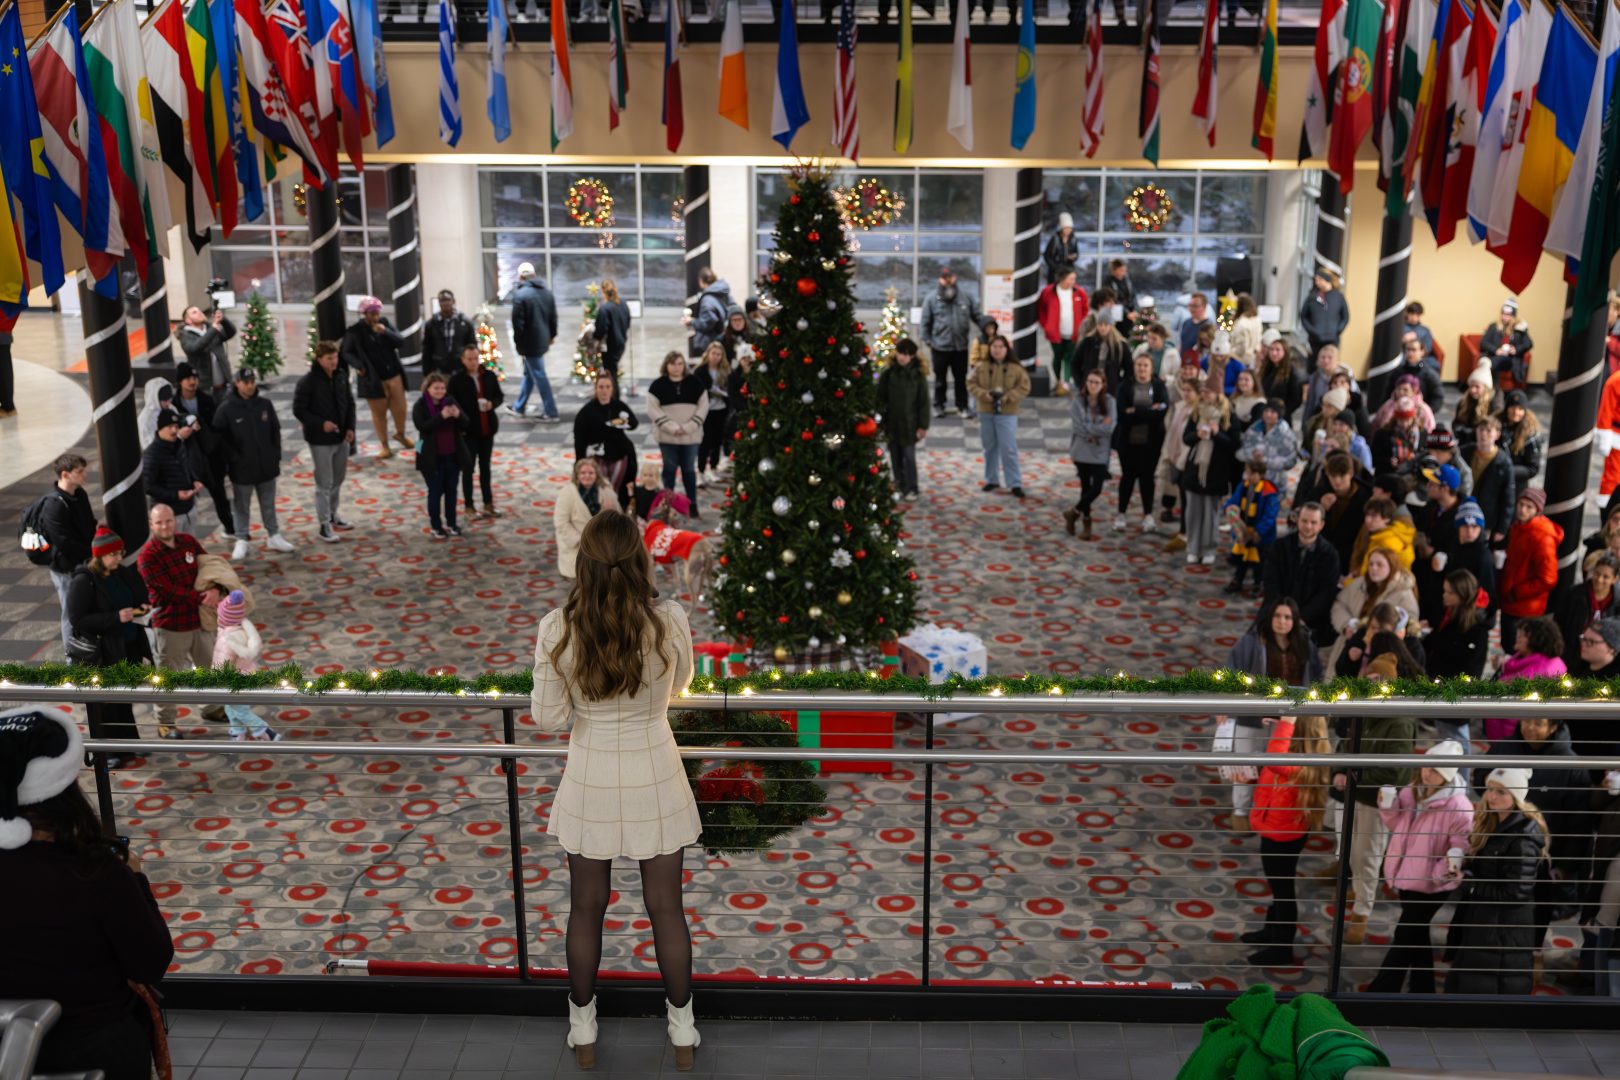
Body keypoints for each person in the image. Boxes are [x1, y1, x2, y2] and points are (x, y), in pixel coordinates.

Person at [529, 511, 703, 1071]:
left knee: (585, 909)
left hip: (591, 775)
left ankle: (583, 1030)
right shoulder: (667, 619)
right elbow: (682, 685)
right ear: (640, 560)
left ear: (584, 561)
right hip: (656, 768)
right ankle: (682, 1033)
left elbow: (549, 717)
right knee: (667, 910)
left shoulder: (559, 626)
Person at [0, 711, 174, 1080]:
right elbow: (150, 962)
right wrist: (137, 881)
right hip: (94, 1044)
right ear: (64, 791)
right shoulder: (97, 872)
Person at [1368, 741, 1474, 992]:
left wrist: (1438, 874)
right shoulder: (1412, 790)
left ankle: (1382, 991)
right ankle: (1423, 987)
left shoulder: (1459, 807)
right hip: (1406, 876)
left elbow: (1462, 847)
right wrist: (1388, 806)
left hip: (1433, 884)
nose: (1428, 772)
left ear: (1447, 777)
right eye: (1427, 766)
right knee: (1416, 933)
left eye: (1436, 771)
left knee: (1405, 936)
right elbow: (1397, 825)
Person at [1219, 598, 1323, 826]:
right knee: (1246, 765)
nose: (1282, 622)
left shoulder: (1305, 644)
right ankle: (1240, 812)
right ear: (1269, 617)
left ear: (1294, 621)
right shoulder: (1251, 642)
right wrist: (1226, 705)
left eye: (1287, 617)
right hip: (1253, 717)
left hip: (1289, 719)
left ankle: (1273, 813)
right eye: (1277, 616)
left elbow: (1315, 679)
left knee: (1280, 769)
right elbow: (1230, 673)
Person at [1443, 768, 1546, 994]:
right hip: (1487, 921)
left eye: (1501, 792)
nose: (1492, 796)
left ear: (1516, 797)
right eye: (1490, 789)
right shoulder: (1496, 823)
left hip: (1503, 929)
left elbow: (1515, 893)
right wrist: (1465, 868)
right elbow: (1491, 869)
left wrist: (1469, 884)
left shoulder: (1522, 839)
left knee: (1492, 988)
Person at [1243, 715, 1333, 967]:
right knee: (1278, 887)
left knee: (1283, 891)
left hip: (1282, 834)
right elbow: (1273, 772)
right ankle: (1271, 933)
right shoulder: (1297, 754)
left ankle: (1281, 949)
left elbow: (1276, 760)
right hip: (1274, 827)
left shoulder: (1301, 762)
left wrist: (1285, 723)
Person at [66, 527, 154, 756]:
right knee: (106, 704)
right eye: (113, 554)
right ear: (99, 556)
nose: (119, 558)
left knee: (124, 698)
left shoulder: (121, 572)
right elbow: (77, 619)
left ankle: (130, 744)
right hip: (104, 651)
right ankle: (109, 753)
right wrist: (115, 618)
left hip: (127, 646)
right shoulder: (84, 581)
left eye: (120, 553)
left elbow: (139, 592)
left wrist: (142, 605)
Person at [136, 505, 219, 739]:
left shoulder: (188, 541)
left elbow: (209, 566)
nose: (165, 526)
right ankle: (166, 722)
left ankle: (211, 708)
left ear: (175, 520)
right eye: (159, 522)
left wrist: (216, 588)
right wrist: (204, 596)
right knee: (168, 677)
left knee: (209, 668)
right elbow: (169, 591)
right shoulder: (148, 556)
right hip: (171, 625)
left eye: (168, 521)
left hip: (200, 620)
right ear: (152, 525)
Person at [213, 369, 292, 558]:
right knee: (241, 506)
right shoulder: (226, 409)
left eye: (252, 381)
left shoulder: (264, 405)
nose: (250, 385)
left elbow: (275, 431)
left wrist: (275, 456)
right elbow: (219, 440)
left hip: (266, 466)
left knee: (268, 503)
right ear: (237, 383)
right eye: (246, 382)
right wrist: (233, 459)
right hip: (242, 469)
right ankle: (241, 538)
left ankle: (273, 535)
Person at [293, 340, 358, 544]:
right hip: (320, 440)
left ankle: (332, 514)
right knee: (324, 483)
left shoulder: (340, 376)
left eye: (335, 357)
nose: (334, 361)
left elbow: (350, 403)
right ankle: (324, 524)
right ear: (319, 359)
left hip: (341, 438)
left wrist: (350, 427)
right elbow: (299, 410)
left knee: (338, 479)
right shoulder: (308, 382)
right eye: (329, 358)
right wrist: (321, 424)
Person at [1326, 547, 1420, 669]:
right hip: (1349, 644)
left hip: (1382, 653)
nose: (1373, 568)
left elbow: (1409, 622)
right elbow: (1340, 603)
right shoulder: (1359, 584)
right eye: (1370, 564)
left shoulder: (1403, 593)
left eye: (1379, 564)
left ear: (1391, 566)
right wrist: (1347, 624)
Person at [341, 296, 414, 453]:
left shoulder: (385, 324)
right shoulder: (354, 331)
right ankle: (385, 445)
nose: (375, 317)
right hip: (373, 379)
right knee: (379, 413)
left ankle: (400, 434)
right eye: (372, 314)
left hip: (394, 375)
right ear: (364, 314)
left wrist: (386, 332)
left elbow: (400, 341)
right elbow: (346, 352)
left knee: (401, 408)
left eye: (377, 313)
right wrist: (359, 366)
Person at [1262, 502, 1340, 647]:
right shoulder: (1279, 546)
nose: (1308, 526)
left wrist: (1300, 618)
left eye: (1313, 522)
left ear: (1321, 525)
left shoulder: (1330, 554)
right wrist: (1282, 613)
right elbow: (1270, 582)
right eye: (1304, 521)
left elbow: (1326, 593)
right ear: (1297, 520)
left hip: (1310, 618)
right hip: (1277, 608)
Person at [172, 361, 235, 539]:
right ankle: (186, 538)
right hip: (188, 460)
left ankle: (230, 527)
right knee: (188, 500)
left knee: (219, 494)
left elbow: (218, 428)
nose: (192, 382)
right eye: (188, 378)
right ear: (180, 382)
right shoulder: (174, 405)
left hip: (211, 457)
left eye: (194, 378)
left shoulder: (207, 400)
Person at [40, 453, 97, 652]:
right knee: (70, 612)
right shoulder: (54, 505)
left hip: (84, 562)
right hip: (65, 569)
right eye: (80, 472)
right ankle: (71, 654)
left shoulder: (80, 494)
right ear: (65, 474)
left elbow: (90, 524)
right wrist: (92, 553)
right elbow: (64, 542)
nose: (85, 475)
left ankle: (88, 648)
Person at [1485, 618, 1569, 746]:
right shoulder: (1549, 659)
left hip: (1511, 737)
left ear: (1536, 640)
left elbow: (1510, 711)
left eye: (1522, 635)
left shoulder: (1531, 677)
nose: (1517, 636)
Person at [1179, 385, 1237, 565]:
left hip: (1216, 471)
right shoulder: (1197, 412)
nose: (1204, 394)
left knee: (1211, 513)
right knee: (1193, 512)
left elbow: (1234, 444)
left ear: (1218, 393)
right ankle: (1193, 547)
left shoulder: (1228, 415)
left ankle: (1209, 548)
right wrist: (1197, 434)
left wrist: (1217, 434)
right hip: (1195, 469)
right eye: (1202, 391)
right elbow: (1186, 439)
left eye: (1208, 391)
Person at [968, 335, 1031, 499]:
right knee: (989, 448)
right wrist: (983, 394)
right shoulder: (981, 366)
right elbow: (970, 383)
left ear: (1006, 349)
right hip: (986, 411)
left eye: (1000, 347)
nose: (997, 350)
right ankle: (991, 479)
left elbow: (1024, 387)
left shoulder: (1016, 368)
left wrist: (1008, 396)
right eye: (994, 347)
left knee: (1009, 449)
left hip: (1007, 412)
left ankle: (1015, 483)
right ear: (989, 348)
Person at [448, 341, 506, 519]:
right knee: (468, 469)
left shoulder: (488, 375)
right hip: (468, 432)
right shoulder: (456, 380)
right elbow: (452, 404)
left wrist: (492, 404)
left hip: (487, 429)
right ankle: (469, 506)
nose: (473, 362)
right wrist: (459, 428)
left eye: (475, 358)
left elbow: (499, 396)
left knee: (485, 468)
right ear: (463, 360)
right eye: (469, 359)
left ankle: (488, 504)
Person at [211, 589, 278, 742]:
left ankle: (266, 732)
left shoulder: (228, 638)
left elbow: (223, 663)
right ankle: (237, 733)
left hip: (234, 680)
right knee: (231, 708)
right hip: (246, 675)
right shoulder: (240, 628)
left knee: (239, 710)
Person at [1499, 489, 1561, 648]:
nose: (1523, 510)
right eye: (1521, 504)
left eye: (1529, 507)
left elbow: (1548, 579)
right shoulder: (1518, 527)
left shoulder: (1542, 537)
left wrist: (1516, 593)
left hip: (1525, 607)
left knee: (1518, 649)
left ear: (1537, 510)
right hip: (1511, 602)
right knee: (1509, 645)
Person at [647, 351, 709, 514]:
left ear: (684, 366)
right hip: (668, 438)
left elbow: (703, 407)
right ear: (666, 365)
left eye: (680, 364)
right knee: (669, 471)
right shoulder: (657, 385)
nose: (677, 367)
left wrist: (688, 427)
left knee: (689, 470)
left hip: (690, 437)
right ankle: (668, 506)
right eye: (673, 364)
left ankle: (692, 504)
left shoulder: (695, 383)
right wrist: (673, 427)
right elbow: (653, 410)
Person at [1113, 353, 1168, 532]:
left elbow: (1161, 413)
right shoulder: (1125, 386)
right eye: (1139, 365)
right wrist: (1147, 412)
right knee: (1127, 477)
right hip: (1127, 441)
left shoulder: (1159, 386)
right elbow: (1122, 414)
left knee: (1147, 479)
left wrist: (1135, 411)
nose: (1142, 369)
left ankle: (1148, 515)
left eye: (1145, 365)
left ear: (1151, 368)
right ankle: (1121, 513)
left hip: (1151, 443)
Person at [413, 372, 472, 539]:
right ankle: (436, 526)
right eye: (436, 388)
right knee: (435, 491)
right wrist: (441, 416)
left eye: (442, 388)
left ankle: (452, 523)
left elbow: (466, 423)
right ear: (428, 388)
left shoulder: (451, 401)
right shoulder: (421, 405)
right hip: (430, 456)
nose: (440, 391)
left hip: (452, 454)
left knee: (451, 491)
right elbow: (422, 427)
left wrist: (458, 415)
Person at [921, 266, 983, 419]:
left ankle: (962, 406)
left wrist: (989, 329)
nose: (948, 280)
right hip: (939, 348)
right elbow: (925, 322)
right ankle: (939, 405)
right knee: (940, 380)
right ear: (940, 279)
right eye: (944, 277)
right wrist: (928, 341)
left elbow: (977, 316)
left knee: (961, 379)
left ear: (955, 278)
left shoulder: (966, 297)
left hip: (960, 347)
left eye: (950, 277)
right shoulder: (931, 299)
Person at [573, 372, 640, 511]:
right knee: (602, 488)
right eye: (601, 387)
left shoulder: (619, 406)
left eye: (607, 387)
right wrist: (580, 461)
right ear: (595, 389)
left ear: (612, 389)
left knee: (616, 487)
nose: (604, 391)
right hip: (598, 456)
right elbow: (579, 438)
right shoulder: (586, 411)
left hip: (619, 453)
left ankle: (617, 512)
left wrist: (625, 423)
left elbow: (634, 423)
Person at [876, 338, 931, 502]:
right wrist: (880, 420)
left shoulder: (918, 376)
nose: (902, 357)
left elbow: (924, 403)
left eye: (906, 355)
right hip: (892, 423)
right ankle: (899, 484)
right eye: (900, 353)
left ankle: (912, 487)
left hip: (910, 424)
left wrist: (923, 426)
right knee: (895, 456)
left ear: (912, 356)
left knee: (909, 456)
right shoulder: (889, 373)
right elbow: (880, 398)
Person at [1065, 369, 1116, 540]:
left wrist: (1092, 427)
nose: (1093, 385)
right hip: (1081, 450)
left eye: (1096, 382)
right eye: (1090, 382)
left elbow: (1110, 428)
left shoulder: (1109, 402)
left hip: (1100, 451)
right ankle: (1086, 523)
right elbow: (1079, 427)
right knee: (1085, 487)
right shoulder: (1078, 401)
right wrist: (1098, 427)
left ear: (1103, 385)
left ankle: (1073, 512)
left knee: (1097, 488)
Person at [508, 262, 561, 421]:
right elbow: (553, 318)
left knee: (539, 375)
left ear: (520, 276)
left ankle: (551, 411)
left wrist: (518, 344)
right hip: (542, 339)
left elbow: (518, 324)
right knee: (529, 373)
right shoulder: (546, 293)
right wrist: (552, 336)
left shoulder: (520, 295)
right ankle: (519, 406)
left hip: (529, 343)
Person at [1425, 569, 1493, 685]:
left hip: (1452, 690)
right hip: (1433, 679)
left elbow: (1473, 670)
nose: (1444, 595)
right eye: (1444, 591)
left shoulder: (1477, 630)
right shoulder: (1445, 613)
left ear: (1463, 595)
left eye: (1450, 593)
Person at [1223, 459, 1280, 595]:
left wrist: (1258, 531)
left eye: (1253, 473)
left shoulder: (1268, 492)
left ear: (1261, 475)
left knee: (1259, 562)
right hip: (1244, 531)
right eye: (1248, 472)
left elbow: (1270, 516)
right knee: (1242, 558)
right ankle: (1238, 580)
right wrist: (1228, 509)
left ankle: (1258, 584)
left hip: (1260, 535)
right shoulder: (1243, 486)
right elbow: (1233, 501)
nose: (1249, 476)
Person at [141, 408, 202, 531]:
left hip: (189, 510)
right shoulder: (152, 454)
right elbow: (147, 486)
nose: (174, 430)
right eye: (169, 427)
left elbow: (186, 467)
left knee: (190, 549)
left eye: (176, 426)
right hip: (169, 517)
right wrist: (175, 495)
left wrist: (194, 480)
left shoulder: (179, 445)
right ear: (159, 429)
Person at [1556, 552, 1620, 667]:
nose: (1599, 579)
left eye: (1606, 577)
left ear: (1614, 579)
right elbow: (1558, 625)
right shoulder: (1573, 595)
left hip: (1604, 661)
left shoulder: (1618, 601)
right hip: (1572, 656)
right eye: (1597, 573)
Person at [1316, 453, 1372, 570]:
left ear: (1351, 474)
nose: (1337, 481)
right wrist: (1320, 507)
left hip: (1348, 557)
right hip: (1320, 554)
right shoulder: (1321, 491)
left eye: (1342, 476)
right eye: (1333, 476)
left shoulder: (1365, 497)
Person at [1036, 268, 1089, 392]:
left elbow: (1085, 310)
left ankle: (1067, 382)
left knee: (1069, 358)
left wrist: (1082, 326)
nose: (1073, 281)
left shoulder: (1079, 292)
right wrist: (1046, 325)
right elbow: (1041, 309)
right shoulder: (1048, 292)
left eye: (1074, 279)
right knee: (1057, 357)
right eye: (1071, 278)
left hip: (1073, 333)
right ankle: (1058, 381)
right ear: (1062, 278)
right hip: (1055, 333)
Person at [1075, 290, 1132, 392]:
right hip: (1089, 385)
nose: (1103, 328)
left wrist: (1120, 385)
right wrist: (1080, 383)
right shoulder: (1088, 339)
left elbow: (1128, 368)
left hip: (1111, 387)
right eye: (1100, 325)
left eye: (1106, 325)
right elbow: (1076, 361)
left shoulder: (1120, 344)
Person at [1348, 494, 1417, 576]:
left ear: (1387, 518)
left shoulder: (1387, 542)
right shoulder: (1379, 536)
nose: (1367, 520)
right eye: (1367, 515)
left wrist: (1349, 582)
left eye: (1374, 516)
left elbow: (1379, 577)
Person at [693, 341, 731, 489]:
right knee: (705, 442)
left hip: (721, 409)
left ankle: (713, 468)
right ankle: (701, 471)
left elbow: (730, 390)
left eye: (719, 354)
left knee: (717, 440)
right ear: (708, 354)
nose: (716, 357)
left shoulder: (725, 371)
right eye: (713, 353)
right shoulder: (700, 371)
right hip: (706, 410)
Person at [178, 302, 237, 395]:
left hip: (225, 385)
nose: (200, 313)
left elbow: (230, 332)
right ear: (188, 320)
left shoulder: (210, 328)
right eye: (194, 312)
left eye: (199, 311)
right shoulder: (185, 336)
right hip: (205, 389)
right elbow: (195, 348)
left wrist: (223, 320)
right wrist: (213, 329)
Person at [1239, 399, 1295, 493]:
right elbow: (1242, 449)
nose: (1268, 414)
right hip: (1251, 480)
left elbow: (1290, 461)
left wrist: (1265, 460)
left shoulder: (1287, 435)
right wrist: (1252, 456)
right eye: (1266, 411)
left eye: (1273, 412)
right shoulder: (1253, 430)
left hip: (1274, 483)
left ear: (1279, 415)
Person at [421, 288, 477, 376]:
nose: (445, 303)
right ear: (439, 303)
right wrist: (426, 373)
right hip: (439, 369)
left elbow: (472, 345)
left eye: (448, 300)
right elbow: (427, 349)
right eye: (442, 300)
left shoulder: (465, 323)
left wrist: (472, 368)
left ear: (453, 301)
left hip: (460, 368)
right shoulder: (431, 324)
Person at [1482, 298, 1535, 386]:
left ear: (1513, 316)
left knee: (1500, 358)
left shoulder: (1519, 329)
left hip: (1510, 361)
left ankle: (1486, 367)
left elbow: (1528, 344)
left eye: (1507, 315)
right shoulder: (1494, 326)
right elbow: (1483, 343)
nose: (1504, 317)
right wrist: (1496, 350)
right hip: (1494, 356)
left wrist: (1515, 349)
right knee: (1497, 359)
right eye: (1503, 314)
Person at [1300, 267, 1349, 357]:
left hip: (1332, 339)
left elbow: (1345, 317)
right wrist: (1312, 331)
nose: (1317, 282)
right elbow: (1304, 317)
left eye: (1320, 279)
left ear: (1327, 280)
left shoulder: (1338, 297)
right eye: (1316, 279)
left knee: (1329, 361)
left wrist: (1337, 330)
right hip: (1315, 340)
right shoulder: (1312, 297)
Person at [592, 278, 633, 385]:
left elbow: (599, 331)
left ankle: (613, 398)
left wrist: (594, 338)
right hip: (621, 344)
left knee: (611, 376)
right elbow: (628, 323)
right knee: (613, 372)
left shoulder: (605, 309)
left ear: (602, 291)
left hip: (610, 347)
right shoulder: (623, 304)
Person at [1500, 390, 1545, 488]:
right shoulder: (1497, 425)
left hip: (1516, 484)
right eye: (1512, 407)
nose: (1516, 412)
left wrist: (1507, 471)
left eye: (1520, 408)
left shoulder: (1531, 435)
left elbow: (1533, 468)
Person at [685, 266, 732, 359]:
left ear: (701, 280)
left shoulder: (707, 300)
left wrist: (691, 321)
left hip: (710, 344)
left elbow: (707, 323)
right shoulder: (723, 292)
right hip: (723, 339)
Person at [1303, 344, 1357, 423]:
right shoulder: (1315, 377)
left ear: (1336, 360)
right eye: (1323, 357)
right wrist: (1306, 422)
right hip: (1320, 417)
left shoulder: (1344, 377)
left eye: (1330, 357)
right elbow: (1310, 402)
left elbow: (1355, 399)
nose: (1326, 360)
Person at [1396, 333, 1446, 416]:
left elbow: (1438, 397)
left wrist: (1425, 412)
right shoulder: (1398, 372)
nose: (1410, 353)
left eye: (1414, 350)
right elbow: (1387, 395)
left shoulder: (1430, 374)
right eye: (1408, 350)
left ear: (1422, 352)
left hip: (1421, 415)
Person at [1256, 333, 1303, 420]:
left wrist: (1282, 412)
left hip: (1281, 415)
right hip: (1266, 412)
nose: (1274, 353)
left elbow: (1296, 398)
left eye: (1278, 350)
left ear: (1285, 352)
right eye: (1272, 349)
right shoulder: (1267, 368)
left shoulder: (1291, 371)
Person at [1371, 374, 1437, 435]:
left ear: (1414, 391)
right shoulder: (1388, 405)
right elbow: (1376, 423)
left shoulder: (1423, 408)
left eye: (1405, 390)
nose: (1401, 392)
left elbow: (1430, 429)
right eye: (1399, 389)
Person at [1455, 364, 1497, 449]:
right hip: (1464, 443)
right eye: (1471, 386)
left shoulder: (1493, 405)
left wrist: (1473, 432)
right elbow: (1456, 421)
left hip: (1484, 444)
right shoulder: (1463, 402)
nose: (1473, 390)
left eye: (1477, 387)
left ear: (1486, 388)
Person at [1043, 211, 1081, 283]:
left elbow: (1077, 252)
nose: (1068, 230)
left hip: (1068, 270)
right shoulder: (1055, 239)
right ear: (1061, 228)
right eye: (1066, 228)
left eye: (1070, 228)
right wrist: (1055, 267)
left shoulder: (1073, 239)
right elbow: (1047, 256)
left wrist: (1073, 257)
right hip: (1056, 272)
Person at [718, 304, 756, 374]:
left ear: (744, 320)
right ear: (730, 322)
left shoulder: (752, 336)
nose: (737, 323)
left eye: (739, 319)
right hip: (730, 375)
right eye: (734, 320)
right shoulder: (722, 339)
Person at [1229, 293, 1263, 369]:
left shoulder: (1242, 323)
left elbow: (1241, 348)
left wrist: (1228, 353)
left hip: (1241, 361)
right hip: (1253, 359)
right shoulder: (1257, 319)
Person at [1402, 301, 1438, 367]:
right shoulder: (1400, 328)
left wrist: (1419, 352)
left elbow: (1428, 348)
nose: (1414, 318)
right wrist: (1403, 340)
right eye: (1412, 314)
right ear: (1407, 314)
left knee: (1433, 364)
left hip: (1421, 358)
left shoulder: (1425, 330)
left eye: (1417, 315)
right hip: (1404, 357)